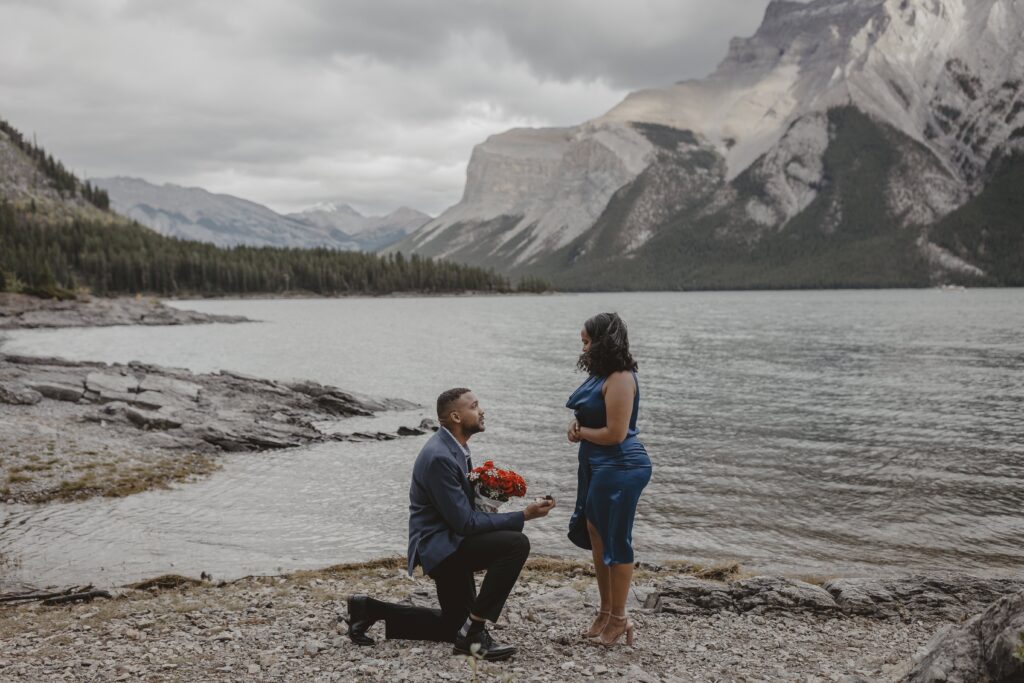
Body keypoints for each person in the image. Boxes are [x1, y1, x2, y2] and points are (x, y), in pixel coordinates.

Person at [345, 387, 556, 661]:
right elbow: (465, 523)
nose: (482, 411)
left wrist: (492, 500)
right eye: (475, 406)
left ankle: (369, 609)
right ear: (456, 416)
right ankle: (474, 631)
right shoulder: (439, 457)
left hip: (451, 540)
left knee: (453, 625)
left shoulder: (456, 447)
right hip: (441, 548)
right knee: (516, 543)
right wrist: (523, 516)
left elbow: (462, 511)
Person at [566, 312, 652, 647]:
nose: (584, 349)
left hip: (620, 466)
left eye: (587, 342)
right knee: (596, 534)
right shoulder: (602, 374)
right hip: (596, 463)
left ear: (604, 341)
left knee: (616, 540)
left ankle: (620, 618)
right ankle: (605, 612)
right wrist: (579, 431)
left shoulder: (619, 377)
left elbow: (616, 434)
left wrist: (581, 432)